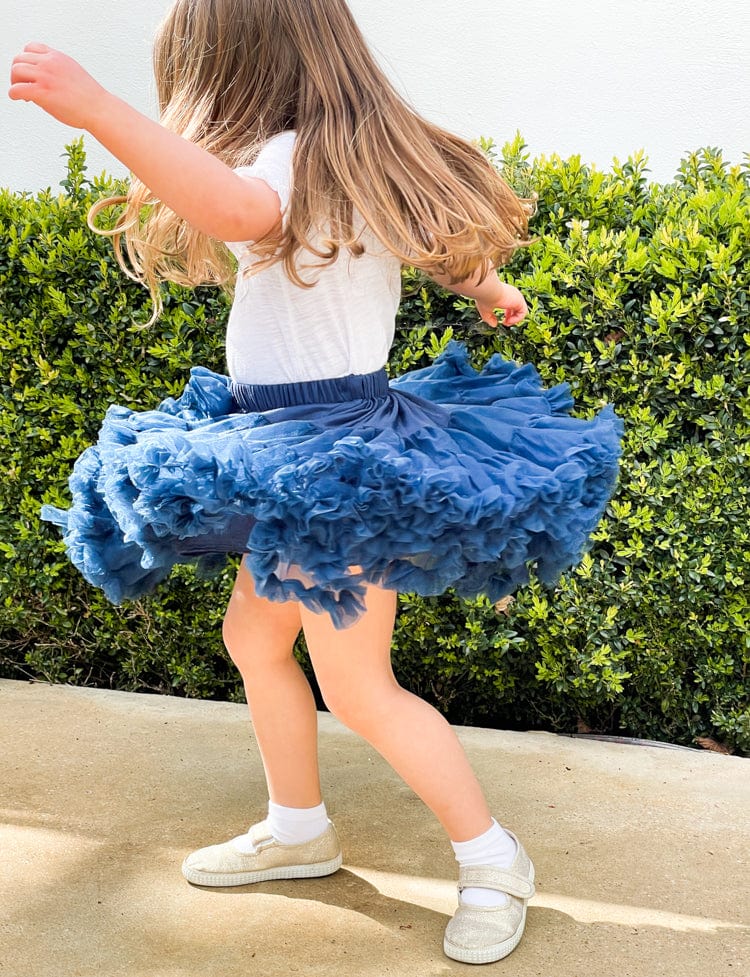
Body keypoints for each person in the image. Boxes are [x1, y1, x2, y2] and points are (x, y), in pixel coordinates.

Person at [9, 0, 622, 965]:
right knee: (253, 633)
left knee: (359, 685)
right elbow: (424, 233)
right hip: (284, 442)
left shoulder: (292, 160)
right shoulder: (344, 153)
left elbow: (236, 211)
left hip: (339, 457)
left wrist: (99, 110)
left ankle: (494, 858)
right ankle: (299, 827)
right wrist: (485, 287)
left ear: (243, 66)